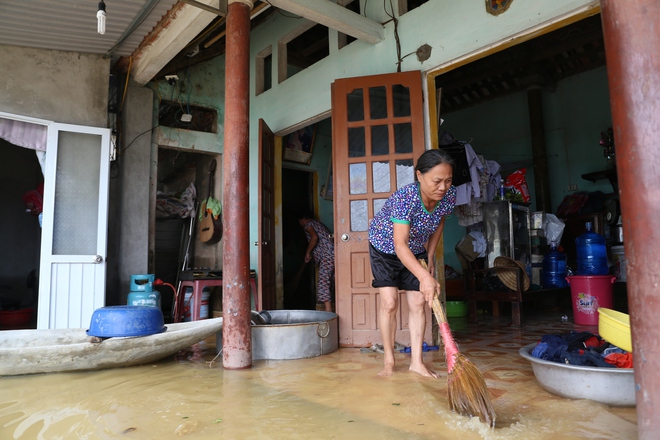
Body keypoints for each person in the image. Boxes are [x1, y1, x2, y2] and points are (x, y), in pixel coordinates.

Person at [368, 149, 456, 377]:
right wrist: (424, 276)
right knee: (389, 303)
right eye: (437, 181)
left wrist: (431, 257)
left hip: (417, 250)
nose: (443, 187)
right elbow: (399, 245)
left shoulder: (448, 195)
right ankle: (389, 360)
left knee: (417, 303)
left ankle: (417, 362)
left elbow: (439, 225)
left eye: (448, 180)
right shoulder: (405, 198)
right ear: (419, 176)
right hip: (386, 248)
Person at [298, 211, 335, 312]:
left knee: (323, 282)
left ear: (302, 219)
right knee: (331, 281)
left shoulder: (309, 225)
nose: (299, 223)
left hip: (327, 256)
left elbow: (314, 238)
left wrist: (307, 252)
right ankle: (333, 309)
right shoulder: (318, 224)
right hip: (334, 255)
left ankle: (328, 312)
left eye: (299, 221)